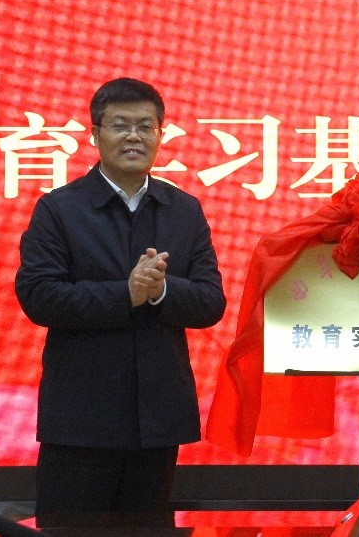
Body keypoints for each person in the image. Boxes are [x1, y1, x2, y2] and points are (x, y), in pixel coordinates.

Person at [16, 77, 226, 525]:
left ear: (160, 134)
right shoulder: (59, 209)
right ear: (95, 134)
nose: (134, 136)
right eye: (120, 125)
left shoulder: (183, 210)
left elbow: (211, 301)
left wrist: (161, 291)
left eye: (146, 126)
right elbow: (39, 296)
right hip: (80, 421)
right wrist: (125, 294)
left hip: (157, 420)